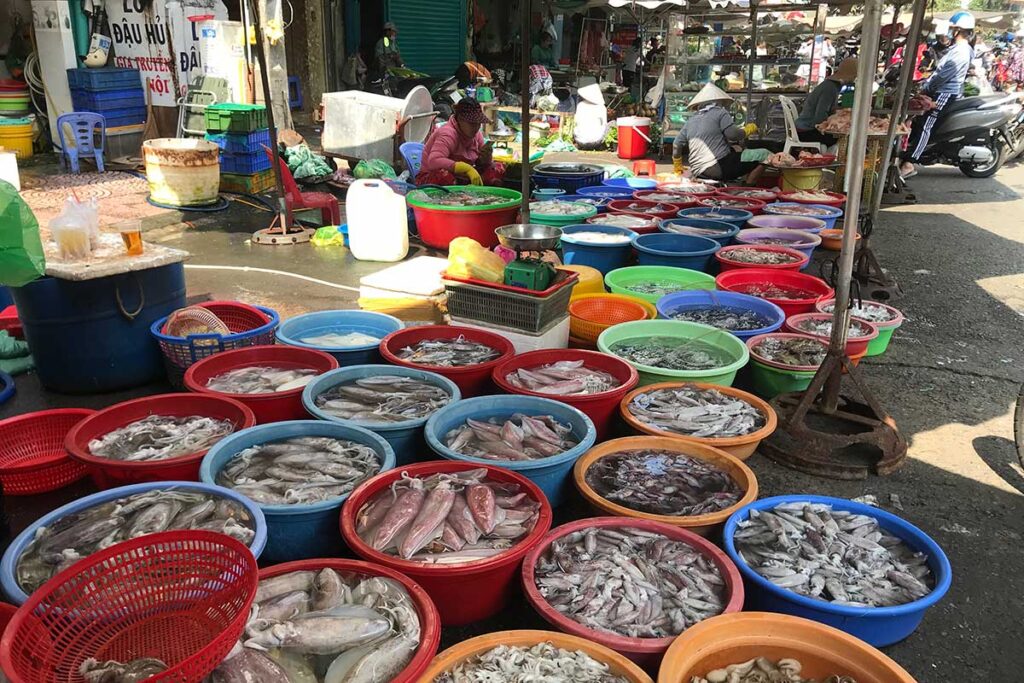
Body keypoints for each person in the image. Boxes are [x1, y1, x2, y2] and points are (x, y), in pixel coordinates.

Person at [900, 12, 976, 178]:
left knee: (925, 125)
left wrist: (927, 88)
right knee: (919, 121)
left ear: (957, 30)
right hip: (942, 90)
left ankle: (909, 163)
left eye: (952, 29)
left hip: (944, 92)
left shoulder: (961, 51)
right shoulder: (958, 49)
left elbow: (943, 76)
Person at [672, 82, 763, 183]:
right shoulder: (720, 112)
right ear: (718, 101)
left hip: (697, 170)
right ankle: (748, 190)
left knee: (736, 149)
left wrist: (677, 165)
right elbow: (733, 135)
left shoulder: (691, 120)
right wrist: (749, 129)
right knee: (764, 155)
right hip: (717, 168)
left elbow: (676, 144)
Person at [416, 98, 505, 187]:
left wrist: (486, 158)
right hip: (431, 178)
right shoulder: (447, 134)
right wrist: (465, 168)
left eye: (478, 123)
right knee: (445, 176)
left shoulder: (476, 134)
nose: (476, 127)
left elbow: (480, 162)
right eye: (472, 123)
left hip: (461, 178)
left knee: (497, 168)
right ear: (460, 119)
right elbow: (434, 161)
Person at [795, 57, 859, 147]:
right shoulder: (830, 89)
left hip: (805, 127)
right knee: (845, 139)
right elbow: (820, 116)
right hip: (807, 130)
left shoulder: (830, 85)